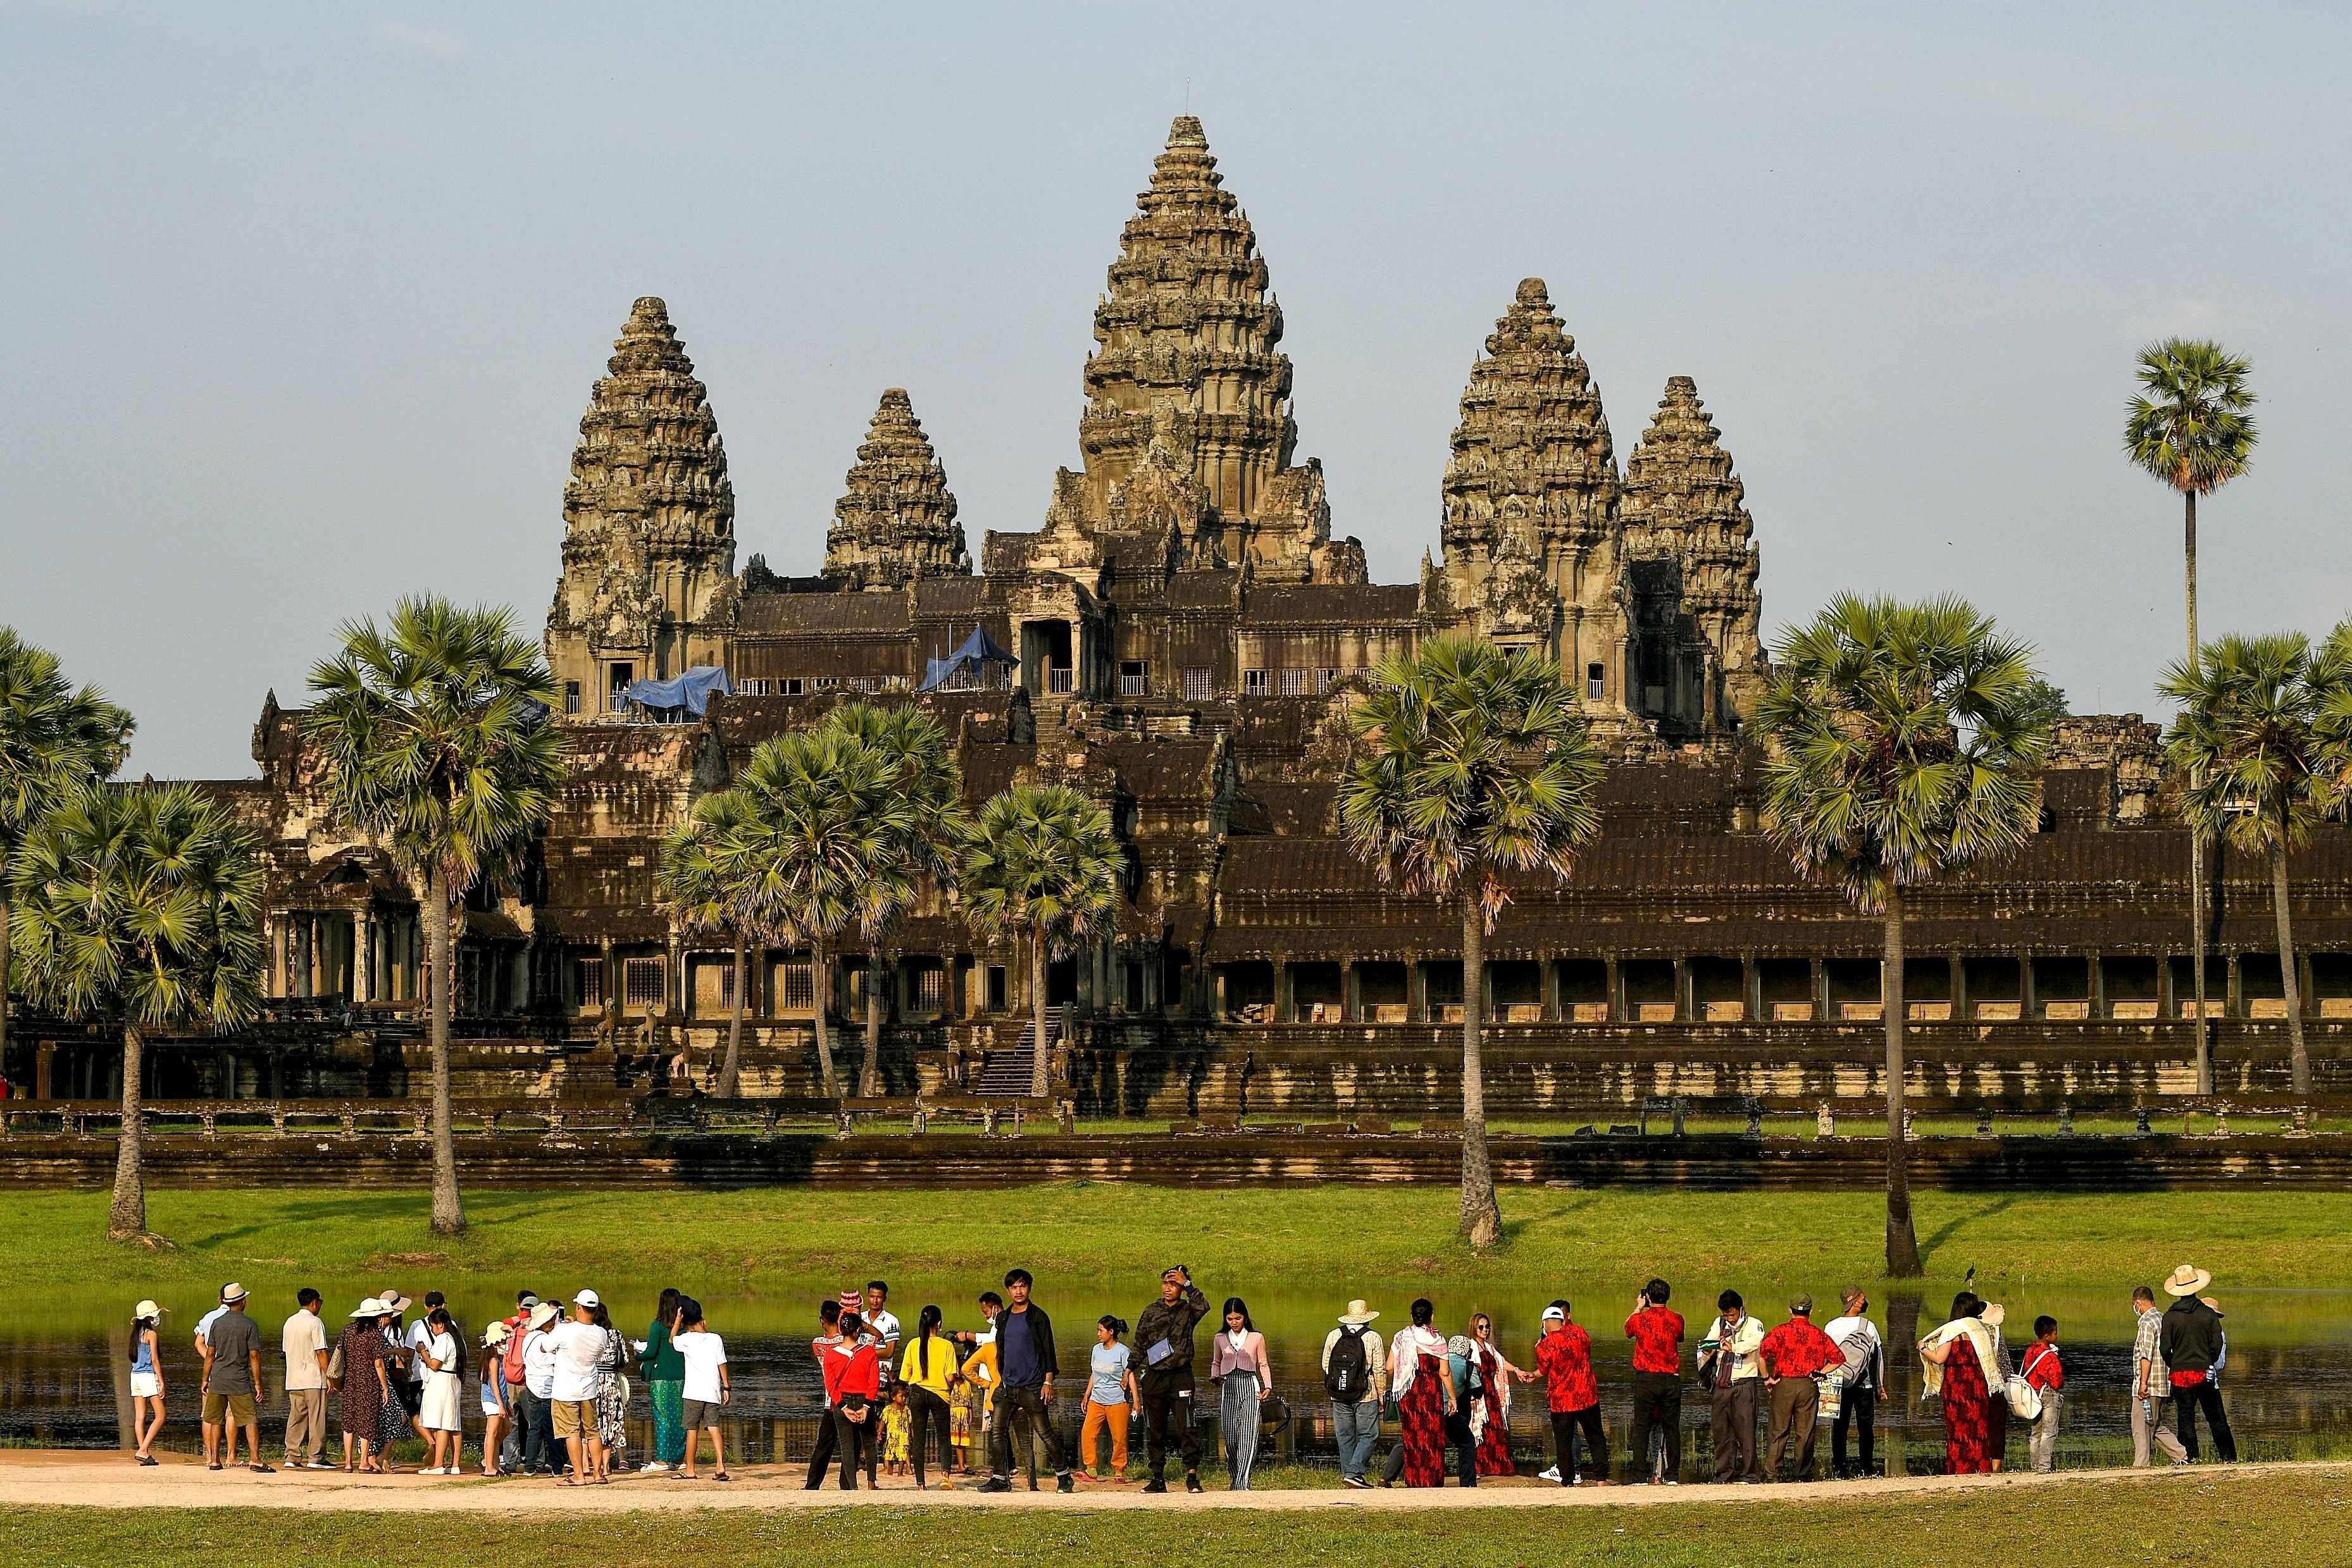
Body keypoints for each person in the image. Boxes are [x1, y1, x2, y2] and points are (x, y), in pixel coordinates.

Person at [980, 1269, 1069, 1493]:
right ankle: (1000, 1478)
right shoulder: (1003, 1318)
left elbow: (1049, 1352)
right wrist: (1001, 1379)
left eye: (1022, 1286)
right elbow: (1001, 1351)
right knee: (997, 1432)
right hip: (1008, 1386)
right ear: (1008, 1291)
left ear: (1029, 1288)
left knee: (1045, 1433)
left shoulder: (1038, 1317)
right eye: (1014, 1287)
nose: (1018, 1291)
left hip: (1033, 1387)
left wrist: (1048, 1383)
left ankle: (1064, 1477)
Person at [1133, 1264, 1210, 1495]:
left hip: (1180, 1377)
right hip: (1154, 1377)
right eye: (1166, 1283)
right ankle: (1158, 1478)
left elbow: (1203, 1306)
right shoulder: (1151, 1311)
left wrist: (1188, 1284)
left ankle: (1192, 1476)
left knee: (1187, 1426)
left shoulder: (1189, 1310)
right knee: (1154, 1429)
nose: (1168, 1288)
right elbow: (1140, 1344)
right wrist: (1129, 1369)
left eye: (1174, 1284)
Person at [2160, 1264, 2236, 1462]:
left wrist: (2174, 1362)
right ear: (2197, 1287)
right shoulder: (2208, 1314)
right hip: (2203, 1371)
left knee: (2185, 1417)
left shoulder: (2170, 1317)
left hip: (2179, 1374)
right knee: (2216, 1417)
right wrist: (2208, 1360)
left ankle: (2191, 1456)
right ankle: (2228, 1457)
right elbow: (2217, 1343)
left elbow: (2164, 1348)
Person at [1759, 1295, 1839, 1482]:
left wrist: (1767, 1379)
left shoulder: (1780, 1331)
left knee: (1779, 1430)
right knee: (1805, 1432)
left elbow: (1762, 1355)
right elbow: (1838, 1359)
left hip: (1784, 1384)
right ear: (1810, 1312)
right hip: (1808, 1385)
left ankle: (1772, 1474)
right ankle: (1801, 1474)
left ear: (1790, 1310)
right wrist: (1820, 1372)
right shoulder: (1818, 1334)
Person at [1919, 1291, 1997, 1474]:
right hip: (1978, 1384)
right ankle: (1981, 1468)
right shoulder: (1981, 1330)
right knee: (1978, 1428)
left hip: (1957, 1385)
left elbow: (1939, 1358)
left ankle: (1960, 1469)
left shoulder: (1953, 1330)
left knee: (1958, 1428)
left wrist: (1923, 1348)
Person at [1534, 1301, 1608, 1486]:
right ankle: (1601, 1479)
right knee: (1596, 1437)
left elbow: (1544, 1369)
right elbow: (1587, 1354)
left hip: (1562, 1400)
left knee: (1564, 1442)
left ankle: (1567, 1480)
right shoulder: (1580, 1333)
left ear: (1545, 1324)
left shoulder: (1545, 1345)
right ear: (1563, 1320)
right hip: (1587, 1394)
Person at [200, 1283, 271, 1474]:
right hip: (239, 1379)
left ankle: (215, 1460)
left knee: (216, 1419)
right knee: (249, 1419)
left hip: (218, 1377)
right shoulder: (250, 1325)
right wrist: (258, 1383)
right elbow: (254, 1356)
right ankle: (255, 1459)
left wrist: (205, 1379)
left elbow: (210, 1354)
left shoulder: (217, 1323)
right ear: (243, 1301)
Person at [1386, 1297, 1455, 1488]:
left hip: (1410, 1393)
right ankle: (1432, 1480)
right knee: (1432, 1437)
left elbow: (1389, 1366)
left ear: (1412, 1316)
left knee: (1413, 1437)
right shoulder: (1438, 1339)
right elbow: (1445, 1372)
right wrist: (1453, 1398)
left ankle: (1414, 1480)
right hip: (1431, 1393)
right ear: (1431, 1317)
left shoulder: (1402, 1337)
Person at [1699, 1290, 1764, 1484]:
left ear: (1741, 1310)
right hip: (1722, 1385)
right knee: (1721, 1434)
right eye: (1726, 1314)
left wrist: (1732, 1347)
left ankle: (1750, 1474)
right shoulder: (1719, 1324)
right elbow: (1711, 1340)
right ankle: (1723, 1475)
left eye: (1732, 1315)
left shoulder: (1754, 1324)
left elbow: (1754, 1344)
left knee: (1746, 1432)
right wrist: (1707, 1347)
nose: (1729, 1318)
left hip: (1743, 1385)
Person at [1625, 1278, 1685, 1484]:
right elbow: (1680, 1337)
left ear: (1648, 1296)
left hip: (1646, 1378)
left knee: (1641, 1427)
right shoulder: (1677, 1319)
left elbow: (1628, 1330)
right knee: (1672, 1428)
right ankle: (1672, 1475)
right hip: (1670, 1378)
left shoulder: (1640, 1319)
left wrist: (1638, 1308)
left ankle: (1640, 1475)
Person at [1820, 1288, 1885, 1479]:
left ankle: (1839, 1469)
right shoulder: (1869, 1326)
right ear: (1856, 1302)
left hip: (1835, 1381)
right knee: (1866, 1427)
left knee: (1839, 1428)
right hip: (1863, 1383)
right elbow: (1877, 1358)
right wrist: (1879, 1386)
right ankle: (1866, 1468)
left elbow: (1824, 1357)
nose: (1866, 1302)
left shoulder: (1830, 1327)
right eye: (1864, 1299)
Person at [1321, 1299, 1386, 1490]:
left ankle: (1350, 1476)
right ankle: (1354, 1473)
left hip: (1338, 1393)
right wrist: (1382, 1396)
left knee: (1344, 1435)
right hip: (1366, 1392)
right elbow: (1380, 1370)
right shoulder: (1373, 1337)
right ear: (1367, 1318)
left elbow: (1326, 1365)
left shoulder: (1334, 1335)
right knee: (1369, 1434)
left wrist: (1340, 1383)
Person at [549, 1289, 611, 1485]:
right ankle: (598, 1473)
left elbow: (546, 1347)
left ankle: (578, 1474)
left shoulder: (563, 1330)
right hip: (589, 1389)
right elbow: (600, 1355)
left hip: (565, 1389)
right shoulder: (601, 1333)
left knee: (571, 1432)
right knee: (592, 1431)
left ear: (578, 1307)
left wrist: (560, 1328)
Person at [1209, 1298, 1272, 1490]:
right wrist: (1215, 1376)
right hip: (1229, 1386)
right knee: (1230, 1437)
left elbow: (1263, 1363)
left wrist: (1267, 1386)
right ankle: (1235, 1476)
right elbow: (1216, 1362)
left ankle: (1242, 1484)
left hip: (1250, 1385)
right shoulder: (1220, 1338)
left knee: (1249, 1435)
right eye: (1230, 1319)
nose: (1234, 1322)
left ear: (1245, 1317)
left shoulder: (1256, 1337)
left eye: (1238, 1318)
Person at [899, 1304, 960, 1490]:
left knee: (919, 1439)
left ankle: (920, 1483)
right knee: (943, 1437)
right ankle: (945, 1476)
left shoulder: (913, 1344)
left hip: (917, 1393)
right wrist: (949, 1385)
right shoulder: (947, 1345)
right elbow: (951, 1377)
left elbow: (904, 1377)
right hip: (939, 1395)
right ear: (939, 1324)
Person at [2129, 1285, 2188, 1467]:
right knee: (2155, 1424)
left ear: (2138, 1303)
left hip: (2150, 1383)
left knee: (2140, 1426)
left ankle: (2141, 1463)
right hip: (2164, 1382)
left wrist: (2142, 1384)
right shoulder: (2163, 1319)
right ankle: (2181, 1455)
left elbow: (2146, 1355)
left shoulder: (2147, 1323)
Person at [675, 1296, 731, 1482]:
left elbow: (671, 1339)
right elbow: (722, 1363)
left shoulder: (686, 1339)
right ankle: (721, 1466)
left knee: (692, 1430)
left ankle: (690, 1469)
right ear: (702, 1319)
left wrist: (677, 1321)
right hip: (713, 1391)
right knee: (714, 1427)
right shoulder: (715, 1338)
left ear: (685, 1321)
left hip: (693, 1393)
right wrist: (727, 1387)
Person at [826, 1309, 882, 1490]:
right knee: (869, 1443)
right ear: (858, 1331)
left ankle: (852, 1486)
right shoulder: (869, 1353)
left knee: (847, 1447)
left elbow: (831, 1385)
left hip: (842, 1402)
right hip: (864, 1400)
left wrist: (843, 1407)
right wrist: (866, 1407)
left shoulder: (831, 1355)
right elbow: (874, 1382)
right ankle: (872, 1482)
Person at [336, 1298, 394, 1473]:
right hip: (368, 1383)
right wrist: (385, 1387)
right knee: (367, 1422)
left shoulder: (348, 1331)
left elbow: (340, 1353)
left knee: (349, 1423)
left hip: (350, 1381)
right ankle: (363, 1461)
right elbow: (379, 1364)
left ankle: (347, 1462)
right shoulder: (374, 1334)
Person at [1080, 1315, 1136, 1484]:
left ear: (1111, 1332)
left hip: (1117, 1401)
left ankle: (1119, 1471)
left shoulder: (1123, 1351)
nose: (1098, 1334)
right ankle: (1091, 1468)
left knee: (1119, 1437)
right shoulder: (1096, 1350)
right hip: (1097, 1400)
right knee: (1087, 1433)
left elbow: (1130, 1375)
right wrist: (1086, 1394)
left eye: (1101, 1330)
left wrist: (1136, 1400)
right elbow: (1094, 1374)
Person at [280, 1287, 332, 1471]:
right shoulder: (315, 1322)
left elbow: (286, 1351)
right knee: (317, 1418)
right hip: (313, 1378)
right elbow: (321, 1352)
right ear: (314, 1302)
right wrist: (330, 1376)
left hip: (294, 1378)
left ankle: (292, 1455)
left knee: (296, 1418)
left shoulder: (289, 1322)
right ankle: (316, 1457)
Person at [641, 1286, 685, 1473]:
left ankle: (661, 1459)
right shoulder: (685, 1327)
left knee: (662, 1417)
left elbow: (651, 1351)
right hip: (683, 1377)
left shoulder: (657, 1325)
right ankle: (678, 1458)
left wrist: (638, 1356)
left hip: (661, 1377)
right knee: (680, 1418)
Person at [417, 1304, 466, 1474]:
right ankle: (455, 1464)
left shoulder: (444, 1338)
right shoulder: (458, 1338)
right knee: (453, 1423)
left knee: (441, 1424)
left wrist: (423, 1352)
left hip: (442, 1382)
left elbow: (435, 1364)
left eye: (433, 1326)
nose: (433, 1330)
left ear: (441, 1325)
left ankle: (438, 1464)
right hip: (453, 1381)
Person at [805, 1298, 846, 1490]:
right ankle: (846, 1484)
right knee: (849, 1444)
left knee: (824, 1445)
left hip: (830, 1399)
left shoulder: (818, 1344)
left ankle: (812, 1484)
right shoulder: (848, 1342)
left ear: (822, 1320)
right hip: (849, 1398)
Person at [519, 1299, 561, 1475]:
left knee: (534, 1428)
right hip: (546, 1388)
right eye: (552, 1320)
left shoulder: (528, 1337)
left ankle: (529, 1466)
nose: (554, 1322)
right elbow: (555, 1362)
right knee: (552, 1429)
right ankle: (557, 1466)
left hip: (531, 1385)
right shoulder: (545, 1340)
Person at [588, 1295, 629, 1476]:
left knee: (595, 1423)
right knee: (611, 1423)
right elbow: (625, 1360)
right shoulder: (616, 1334)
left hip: (593, 1380)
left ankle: (594, 1465)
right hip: (611, 1381)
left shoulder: (590, 1334)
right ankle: (606, 1465)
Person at [2022, 1315, 2064, 1472]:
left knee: (2036, 1433)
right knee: (2049, 1431)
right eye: (2055, 1333)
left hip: (2033, 1394)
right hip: (2048, 1394)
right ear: (2048, 1337)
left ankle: (2035, 1466)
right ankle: (2044, 1466)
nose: (2057, 1335)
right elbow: (2056, 1380)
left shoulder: (2031, 1350)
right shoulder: (2050, 1356)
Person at [129, 1300, 168, 1467]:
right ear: (150, 1318)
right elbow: (154, 1360)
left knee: (140, 1417)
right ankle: (143, 1450)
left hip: (135, 1376)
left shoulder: (135, 1334)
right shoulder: (151, 1335)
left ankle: (144, 1452)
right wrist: (161, 1380)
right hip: (147, 1376)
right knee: (161, 1416)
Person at [479, 1321, 514, 1477]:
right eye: (502, 1341)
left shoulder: (497, 1359)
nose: (505, 1344)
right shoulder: (493, 1360)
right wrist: (501, 1405)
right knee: (492, 1432)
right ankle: (489, 1466)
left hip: (498, 1400)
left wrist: (506, 1403)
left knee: (505, 1429)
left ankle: (491, 1462)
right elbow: (494, 1384)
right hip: (492, 1400)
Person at [866, 1281, 903, 1390]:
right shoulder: (861, 1318)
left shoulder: (891, 1321)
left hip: (881, 1376)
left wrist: (862, 1354)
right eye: (872, 1296)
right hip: (860, 1374)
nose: (875, 1301)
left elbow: (889, 1352)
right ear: (868, 1296)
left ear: (885, 1299)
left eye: (879, 1297)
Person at [881, 1386, 913, 1477]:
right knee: (890, 1454)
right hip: (892, 1436)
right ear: (893, 1397)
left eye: (905, 1397)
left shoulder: (907, 1410)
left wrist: (912, 1434)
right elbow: (883, 1421)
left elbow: (910, 1423)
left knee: (902, 1454)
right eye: (901, 1396)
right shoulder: (888, 1409)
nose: (904, 1399)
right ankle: (890, 1471)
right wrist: (879, 1432)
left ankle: (900, 1472)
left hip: (904, 1436)